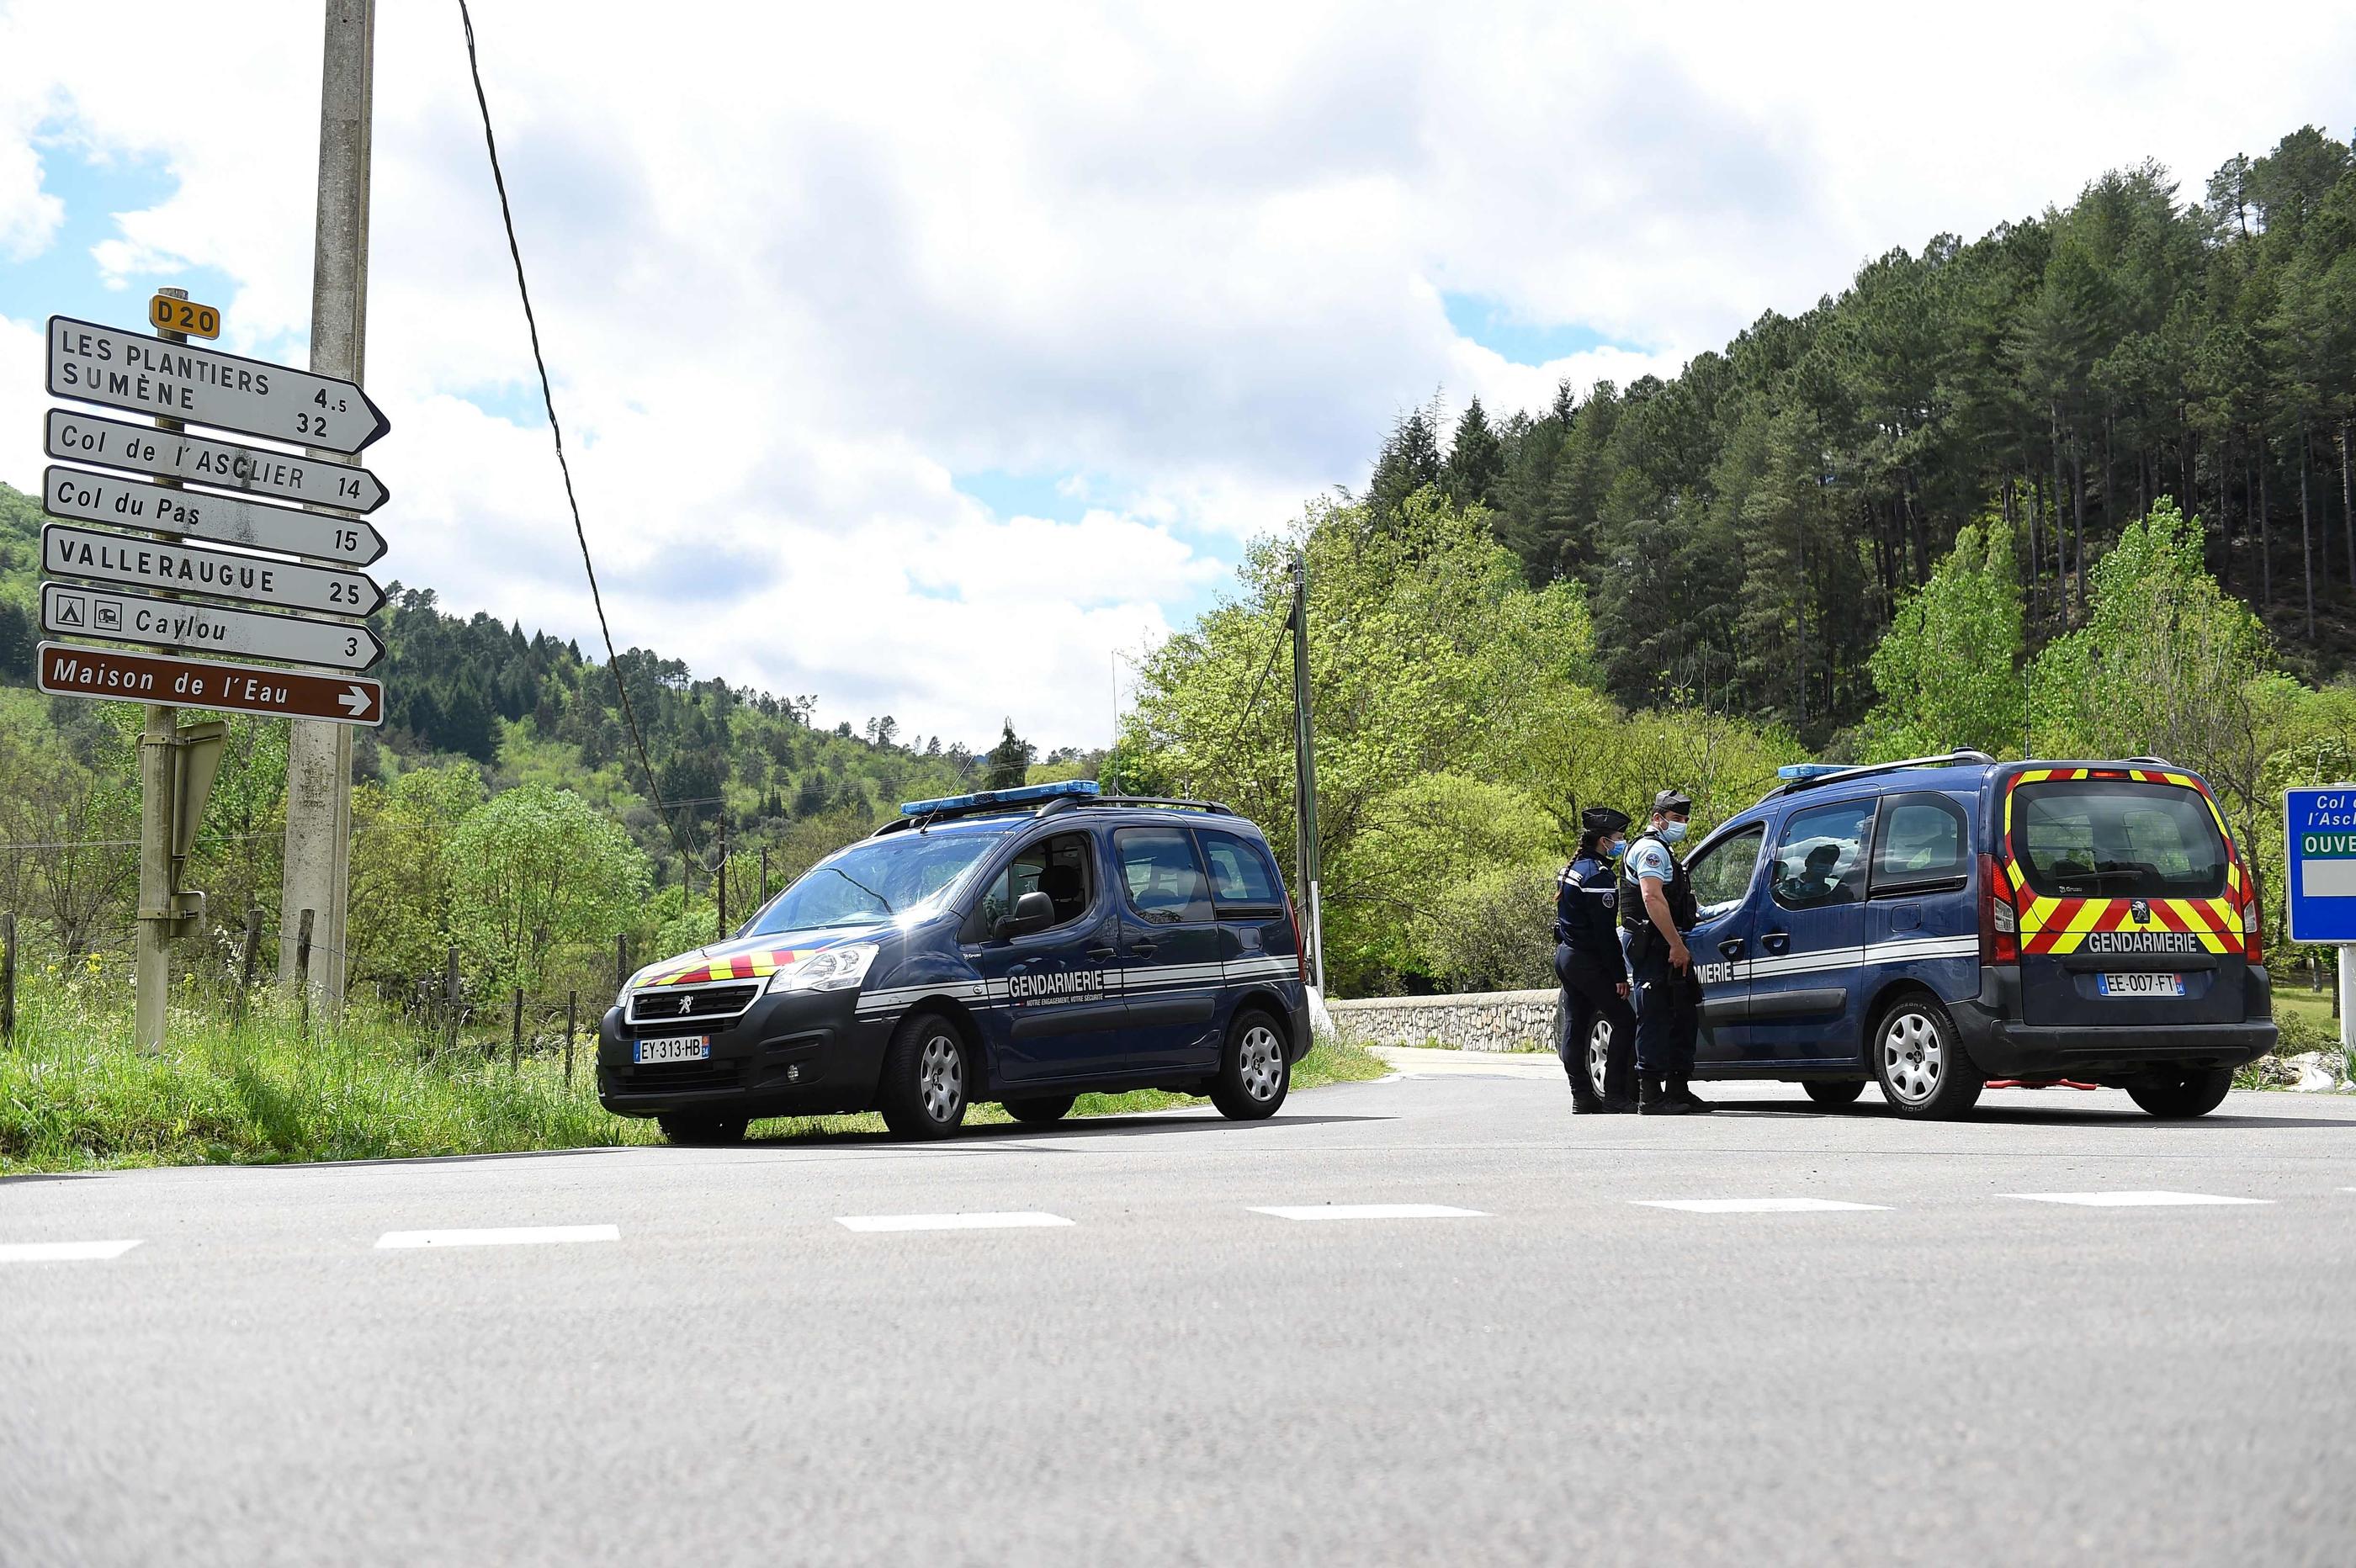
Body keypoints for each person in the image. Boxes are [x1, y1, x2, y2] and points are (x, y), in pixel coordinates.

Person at [1620, 787, 1711, 1115]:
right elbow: (1652, 898)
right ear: (1658, 819)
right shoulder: (1650, 850)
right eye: (1676, 819)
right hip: (1656, 946)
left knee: (1682, 1015)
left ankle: (1678, 1089)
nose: (1682, 824)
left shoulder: (1664, 851)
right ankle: (1651, 1095)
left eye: (1685, 819)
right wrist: (1675, 944)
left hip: (1667, 944)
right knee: (1656, 1017)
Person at [1553, 806, 1637, 1113]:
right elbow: (1605, 934)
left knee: (1575, 1024)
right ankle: (1615, 1095)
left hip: (1566, 955)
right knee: (1625, 1020)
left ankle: (1581, 1095)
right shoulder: (1598, 876)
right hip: (1586, 960)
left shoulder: (1571, 869)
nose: (1622, 842)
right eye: (1619, 837)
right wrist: (1618, 975)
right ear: (1604, 841)